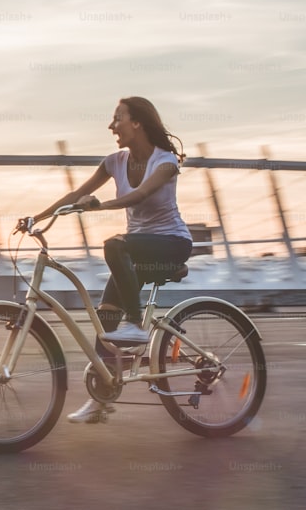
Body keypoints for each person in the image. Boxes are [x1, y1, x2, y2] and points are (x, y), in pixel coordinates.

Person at [29, 97, 192, 424]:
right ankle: (101, 399)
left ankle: (135, 326)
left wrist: (101, 207)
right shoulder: (114, 161)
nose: (111, 125)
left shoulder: (166, 162)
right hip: (138, 250)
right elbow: (76, 195)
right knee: (105, 321)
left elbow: (141, 194)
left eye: (117, 118)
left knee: (114, 245)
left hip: (170, 244)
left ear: (137, 123)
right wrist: (35, 217)